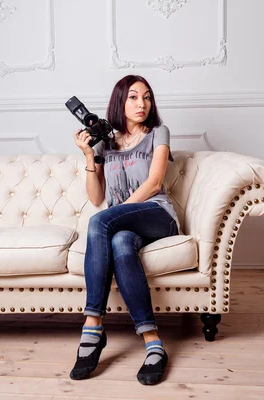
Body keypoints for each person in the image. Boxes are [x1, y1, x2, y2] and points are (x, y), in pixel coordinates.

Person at [70, 75, 179, 385]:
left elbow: (155, 183)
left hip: (156, 215)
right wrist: (90, 156)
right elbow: (95, 196)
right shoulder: (106, 140)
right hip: (122, 225)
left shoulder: (158, 133)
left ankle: (92, 327)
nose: (141, 103)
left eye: (146, 97)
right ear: (120, 101)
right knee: (119, 242)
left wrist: (116, 212)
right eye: (133, 97)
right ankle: (153, 343)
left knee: (101, 221)